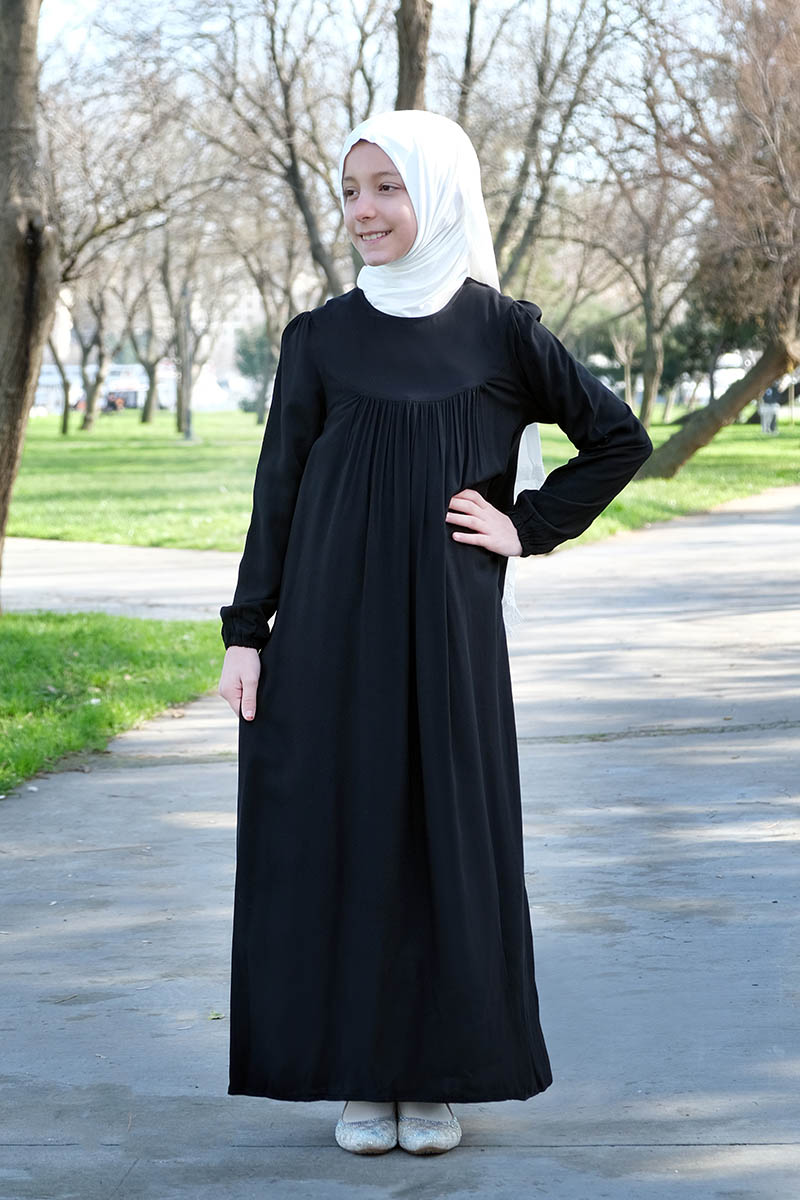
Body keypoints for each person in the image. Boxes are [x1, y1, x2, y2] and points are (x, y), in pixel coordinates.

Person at [218, 108, 653, 1158]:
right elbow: (277, 493)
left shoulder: (502, 331)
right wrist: (246, 631)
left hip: (449, 640)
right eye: (352, 190)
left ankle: (436, 1078)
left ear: (440, 192)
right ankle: (361, 1075)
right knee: (342, 839)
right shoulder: (318, 338)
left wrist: (525, 526)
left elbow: (617, 439)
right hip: (324, 637)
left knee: (440, 842)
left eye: (387, 188)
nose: (363, 211)